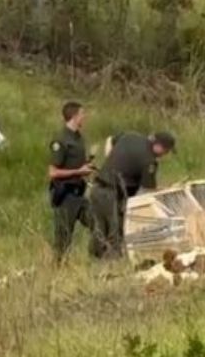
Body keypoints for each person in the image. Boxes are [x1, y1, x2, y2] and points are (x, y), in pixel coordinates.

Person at [88, 130, 176, 260]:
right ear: (159, 146)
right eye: (166, 151)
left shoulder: (131, 136)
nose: (164, 155)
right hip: (112, 195)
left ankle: (93, 261)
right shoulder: (149, 160)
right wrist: (167, 189)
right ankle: (112, 264)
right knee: (115, 233)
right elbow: (148, 190)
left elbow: (110, 139)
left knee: (99, 230)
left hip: (97, 188)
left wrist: (109, 159)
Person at [48, 101, 94, 262]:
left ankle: (100, 258)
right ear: (74, 116)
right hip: (65, 195)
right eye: (82, 114)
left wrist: (87, 166)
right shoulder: (61, 140)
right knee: (63, 240)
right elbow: (53, 172)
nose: (84, 117)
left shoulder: (78, 138)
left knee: (98, 223)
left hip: (79, 193)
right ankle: (58, 268)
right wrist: (78, 171)